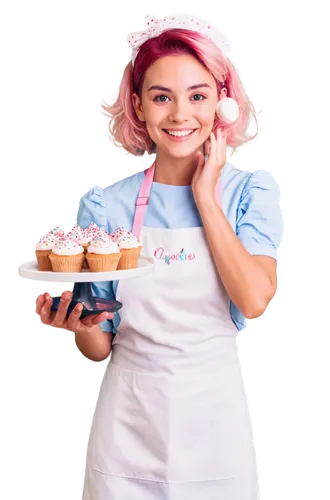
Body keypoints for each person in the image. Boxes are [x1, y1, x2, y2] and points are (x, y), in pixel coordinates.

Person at [34, 11, 285, 500]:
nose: (179, 115)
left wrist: (206, 197)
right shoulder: (103, 205)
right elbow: (101, 347)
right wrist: (78, 323)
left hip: (217, 433)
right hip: (127, 432)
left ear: (222, 104)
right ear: (139, 106)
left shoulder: (250, 193)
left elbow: (255, 300)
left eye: (198, 96)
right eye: (161, 97)